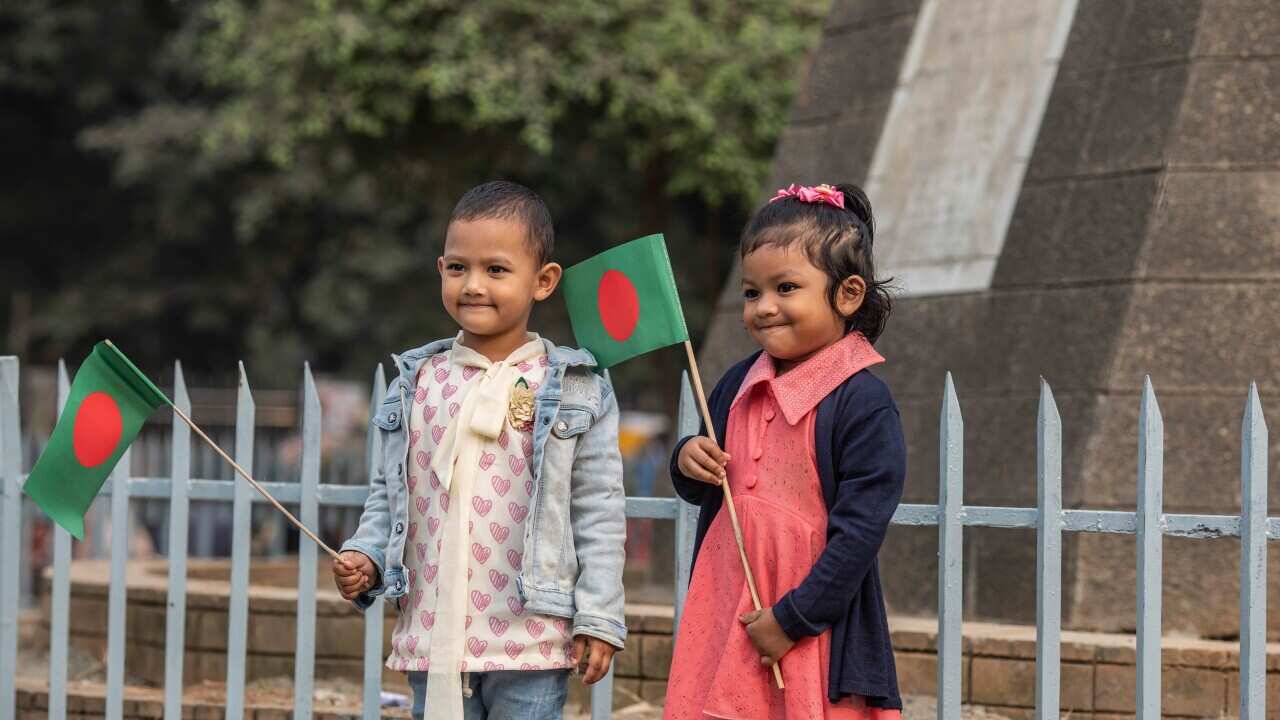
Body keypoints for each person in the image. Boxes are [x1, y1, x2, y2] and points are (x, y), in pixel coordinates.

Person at [332, 181, 627, 720]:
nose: (473, 285)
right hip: (434, 633)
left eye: (495, 270)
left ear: (543, 281)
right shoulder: (417, 382)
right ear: (440, 268)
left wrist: (599, 618)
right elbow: (390, 494)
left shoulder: (573, 389)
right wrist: (366, 555)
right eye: (457, 268)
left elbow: (599, 513)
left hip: (532, 638)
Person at [665, 183, 906, 718]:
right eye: (752, 293)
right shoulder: (736, 384)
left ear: (847, 294)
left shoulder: (862, 401)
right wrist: (688, 458)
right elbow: (703, 478)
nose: (764, 307)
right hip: (726, 606)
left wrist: (794, 618)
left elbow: (861, 533)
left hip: (809, 625)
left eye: (786, 288)